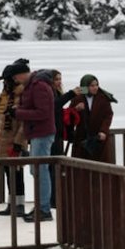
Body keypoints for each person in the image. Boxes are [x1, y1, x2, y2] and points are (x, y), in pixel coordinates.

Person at [12, 67, 56, 222]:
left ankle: (44, 209)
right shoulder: (32, 85)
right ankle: (41, 206)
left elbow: (43, 112)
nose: (15, 81)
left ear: (22, 74)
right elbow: (35, 108)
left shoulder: (39, 86)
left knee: (40, 170)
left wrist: (19, 113)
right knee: (36, 170)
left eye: (15, 77)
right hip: (37, 133)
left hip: (42, 134)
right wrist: (18, 109)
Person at [0, 62, 28, 216]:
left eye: (7, 80)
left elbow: (24, 123)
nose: (5, 83)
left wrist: (18, 143)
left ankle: (20, 205)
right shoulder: (4, 94)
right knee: (7, 173)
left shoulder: (23, 95)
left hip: (15, 141)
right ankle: (11, 204)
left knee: (17, 174)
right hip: (2, 141)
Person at [71, 74, 116, 164]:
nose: (95, 88)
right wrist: (75, 109)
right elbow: (69, 117)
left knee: (100, 166)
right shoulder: (77, 98)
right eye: (92, 86)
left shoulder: (103, 98)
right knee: (81, 166)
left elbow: (108, 115)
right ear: (85, 86)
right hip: (82, 139)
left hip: (98, 139)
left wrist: (103, 131)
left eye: (96, 85)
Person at [49, 70, 75, 209]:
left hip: (58, 134)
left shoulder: (57, 93)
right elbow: (55, 106)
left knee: (56, 168)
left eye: (60, 79)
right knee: (52, 168)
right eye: (56, 79)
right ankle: (52, 199)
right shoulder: (50, 94)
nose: (59, 82)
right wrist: (71, 94)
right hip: (51, 135)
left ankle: (56, 197)